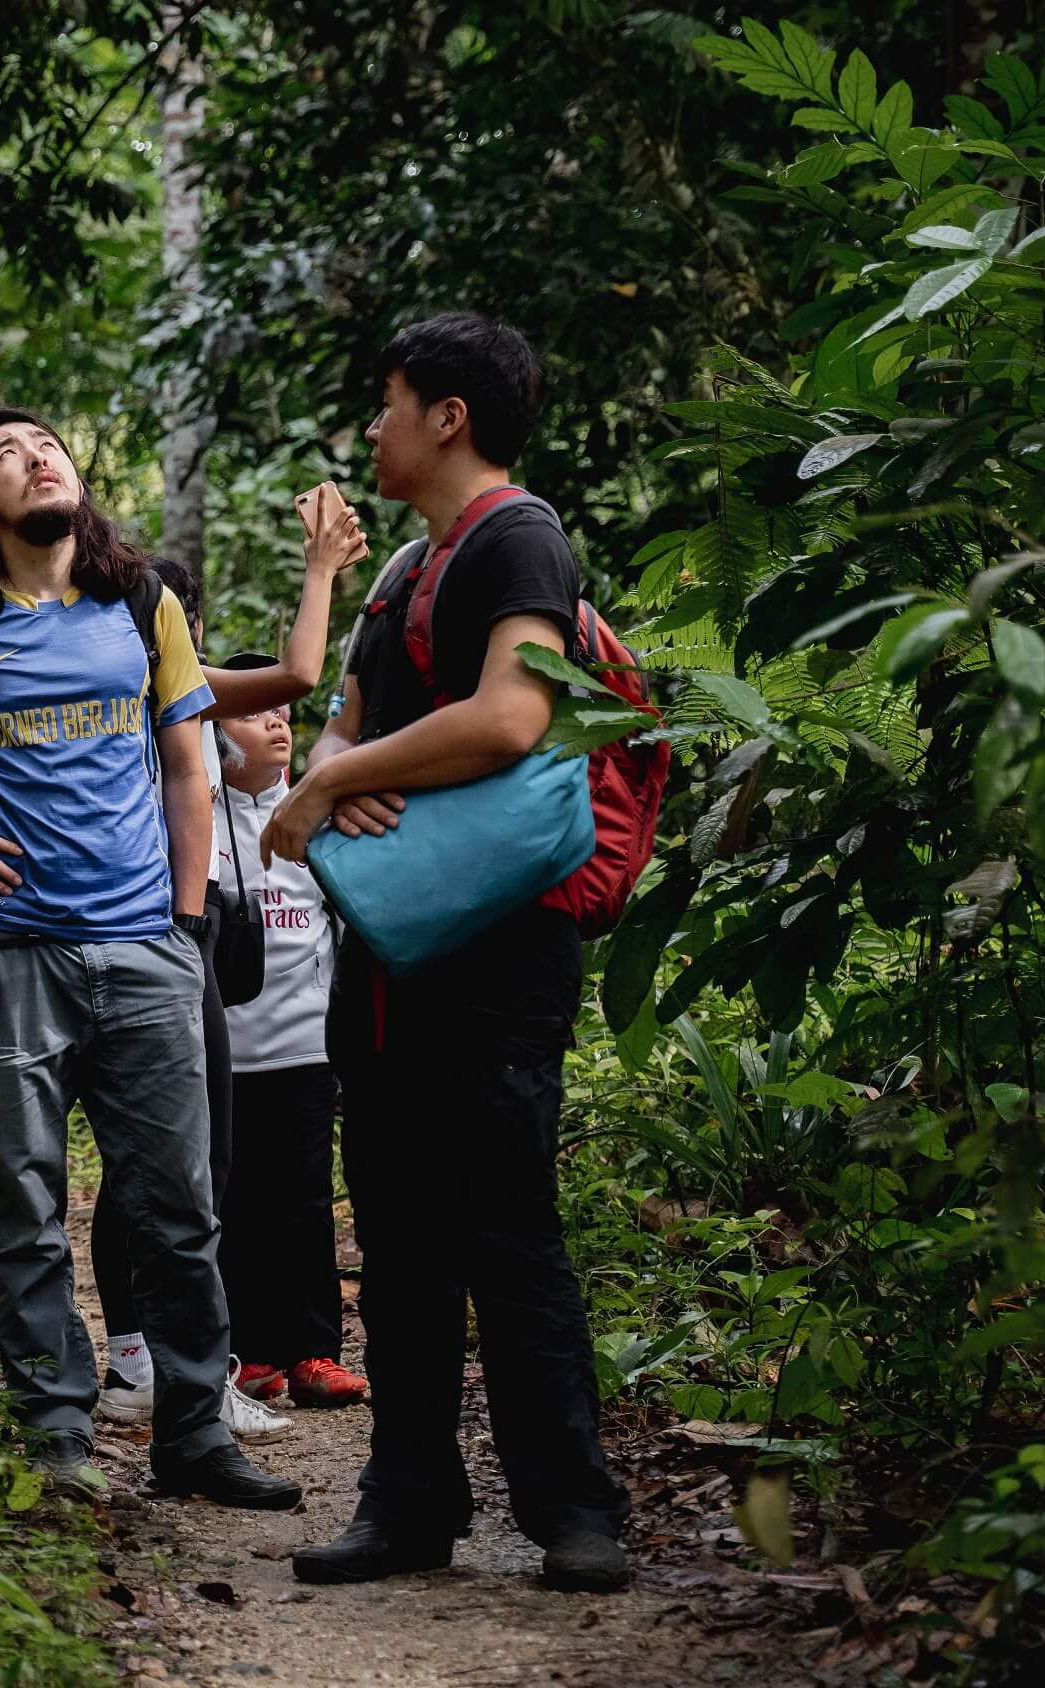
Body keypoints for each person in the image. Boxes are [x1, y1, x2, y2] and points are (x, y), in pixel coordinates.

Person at [0, 408, 299, 1509]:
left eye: (50, 446)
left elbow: (187, 760)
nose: (39, 458)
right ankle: (56, 1431)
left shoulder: (142, 605)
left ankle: (194, 1432)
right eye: (8, 454)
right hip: (12, 954)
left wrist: (181, 918)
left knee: (179, 1204)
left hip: (145, 951)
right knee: (25, 1202)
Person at [262, 313, 633, 1592]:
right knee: (406, 1240)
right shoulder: (397, 575)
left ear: (450, 417)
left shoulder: (520, 536)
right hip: (389, 961)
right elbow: (344, 729)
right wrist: (336, 773)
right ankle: (406, 1502)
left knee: (509, 1227)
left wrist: (337, 783)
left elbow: (515, 713)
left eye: (389, 401)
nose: (375, 426)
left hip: (499, 956)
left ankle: (574, 1510)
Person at [92, 520, 363, 1440]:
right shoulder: (106, 699)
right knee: (150, 1166)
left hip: (190, 939)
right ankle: (145, 1363)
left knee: (194, 1171)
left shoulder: (186, 700)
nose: (180, 642)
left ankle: (189, 1366)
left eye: (183, 625)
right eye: (165, 622)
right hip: (143, 933)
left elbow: (292, 684)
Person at [209, 680, 367, 1412]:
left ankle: (313, 1352)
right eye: (251, 711)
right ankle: (249, 1353)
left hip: (305, 1047)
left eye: (282, 710)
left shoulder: (321, 812)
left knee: (303, 1203)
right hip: (224, 1050)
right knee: (235, 1203)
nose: (276, 720)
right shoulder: (195, 811)